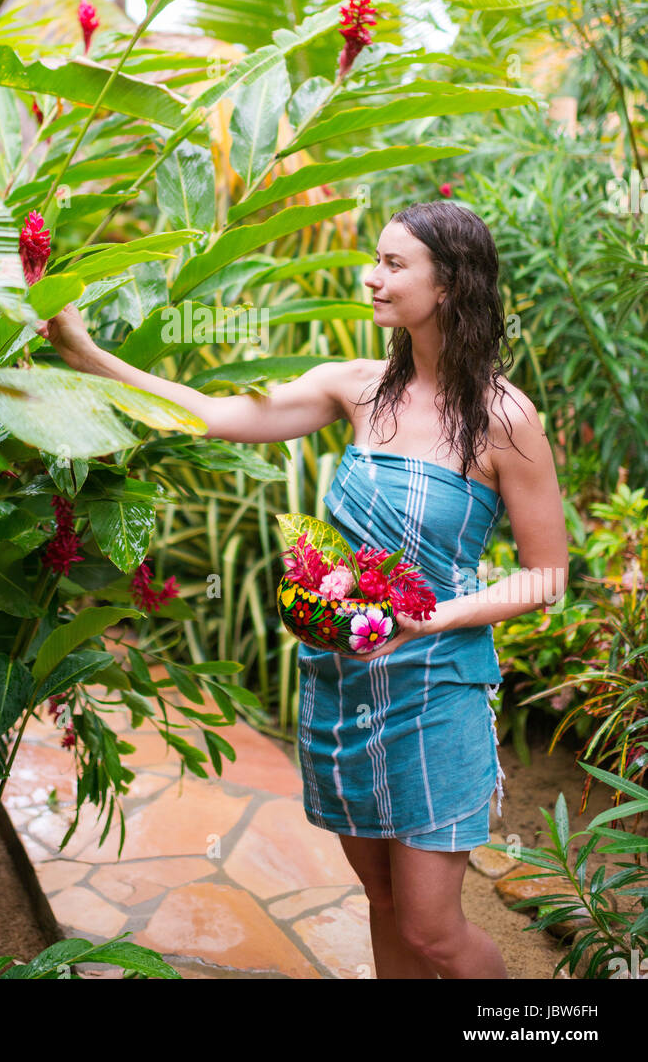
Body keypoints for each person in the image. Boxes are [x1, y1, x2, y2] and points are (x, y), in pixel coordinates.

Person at [37, 199, 569, 980]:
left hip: (437, 690)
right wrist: (86, 355)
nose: (371, 277)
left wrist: (428, 620)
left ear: (450, 283)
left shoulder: (504, 419)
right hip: (340, 683)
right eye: (375, 261)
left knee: (431, 929)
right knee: (382, 905)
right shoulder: (353, 388)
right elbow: (211, 416)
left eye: (394, 265)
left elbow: (545, 576)